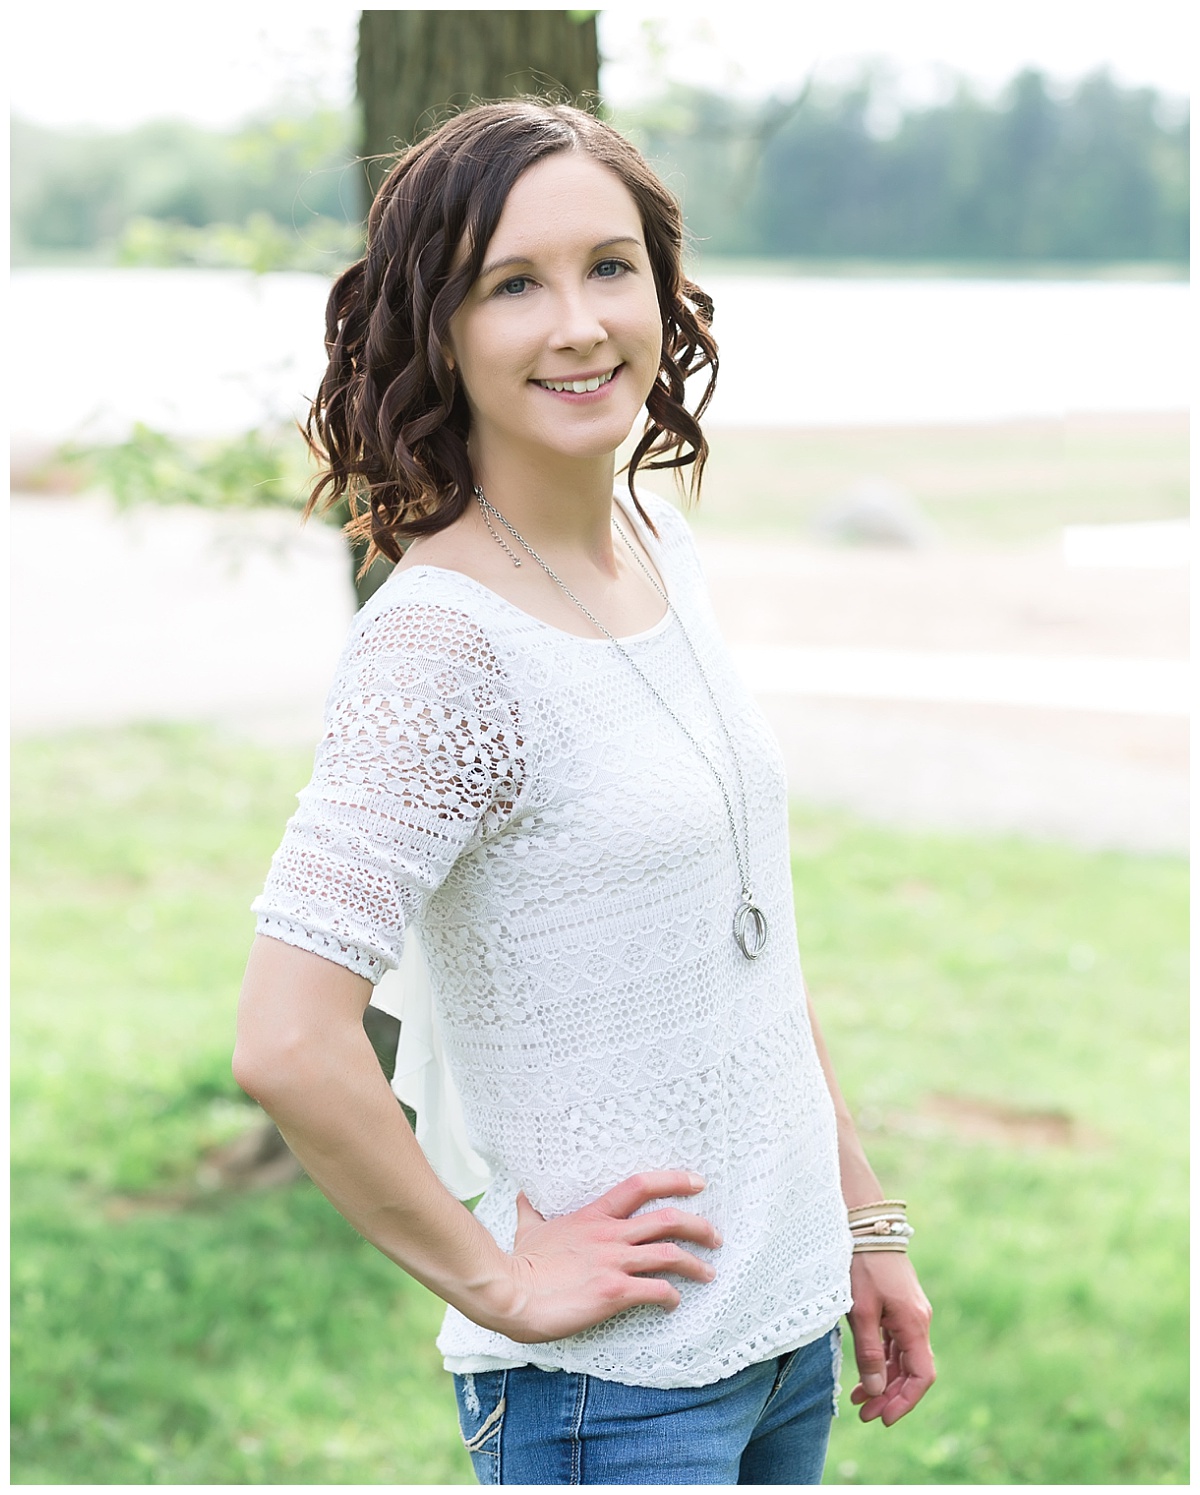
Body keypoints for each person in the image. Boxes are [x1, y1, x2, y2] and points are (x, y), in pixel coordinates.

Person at [233, 99, 934, 1486]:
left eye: (610, 266)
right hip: (615, 1396)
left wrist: (861, 1223)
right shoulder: (441, 646)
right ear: (438, 327)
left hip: (785, 1334)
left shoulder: (653, 538)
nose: (579, 323)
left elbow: (748, 934)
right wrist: (497, 1280)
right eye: (514, 283)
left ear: (665, 290)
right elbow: (288, 1040)